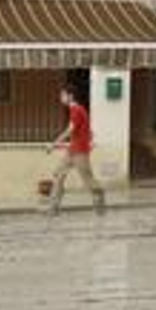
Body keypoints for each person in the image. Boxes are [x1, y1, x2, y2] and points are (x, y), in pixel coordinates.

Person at [46, 83, 105, 215]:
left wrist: (53, 144)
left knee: (88, 179)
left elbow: (70, 130)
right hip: (72, 149)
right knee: (58, 174)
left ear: (70, 96)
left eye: (63, 95)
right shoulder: (76, 110)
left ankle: (99, 198)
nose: (61, 97)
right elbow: (84, 130)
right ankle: (53, 208)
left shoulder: (77, 110)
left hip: (80, 151)